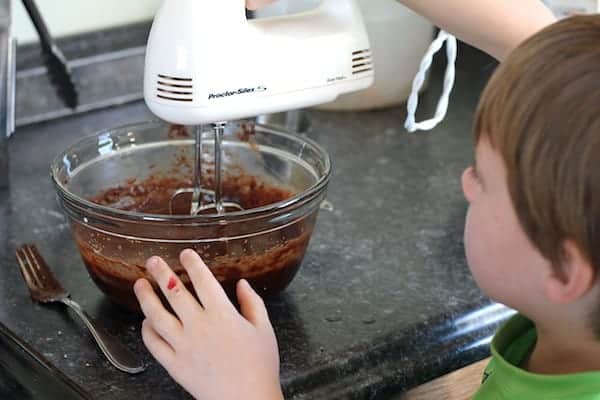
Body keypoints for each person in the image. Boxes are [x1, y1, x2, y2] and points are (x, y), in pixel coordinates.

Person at [134, 1, 600, 399]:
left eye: (484, 177)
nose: (465, 181)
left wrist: (248, 389)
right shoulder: (566, 337)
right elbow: (544, 52)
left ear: (563, 269)